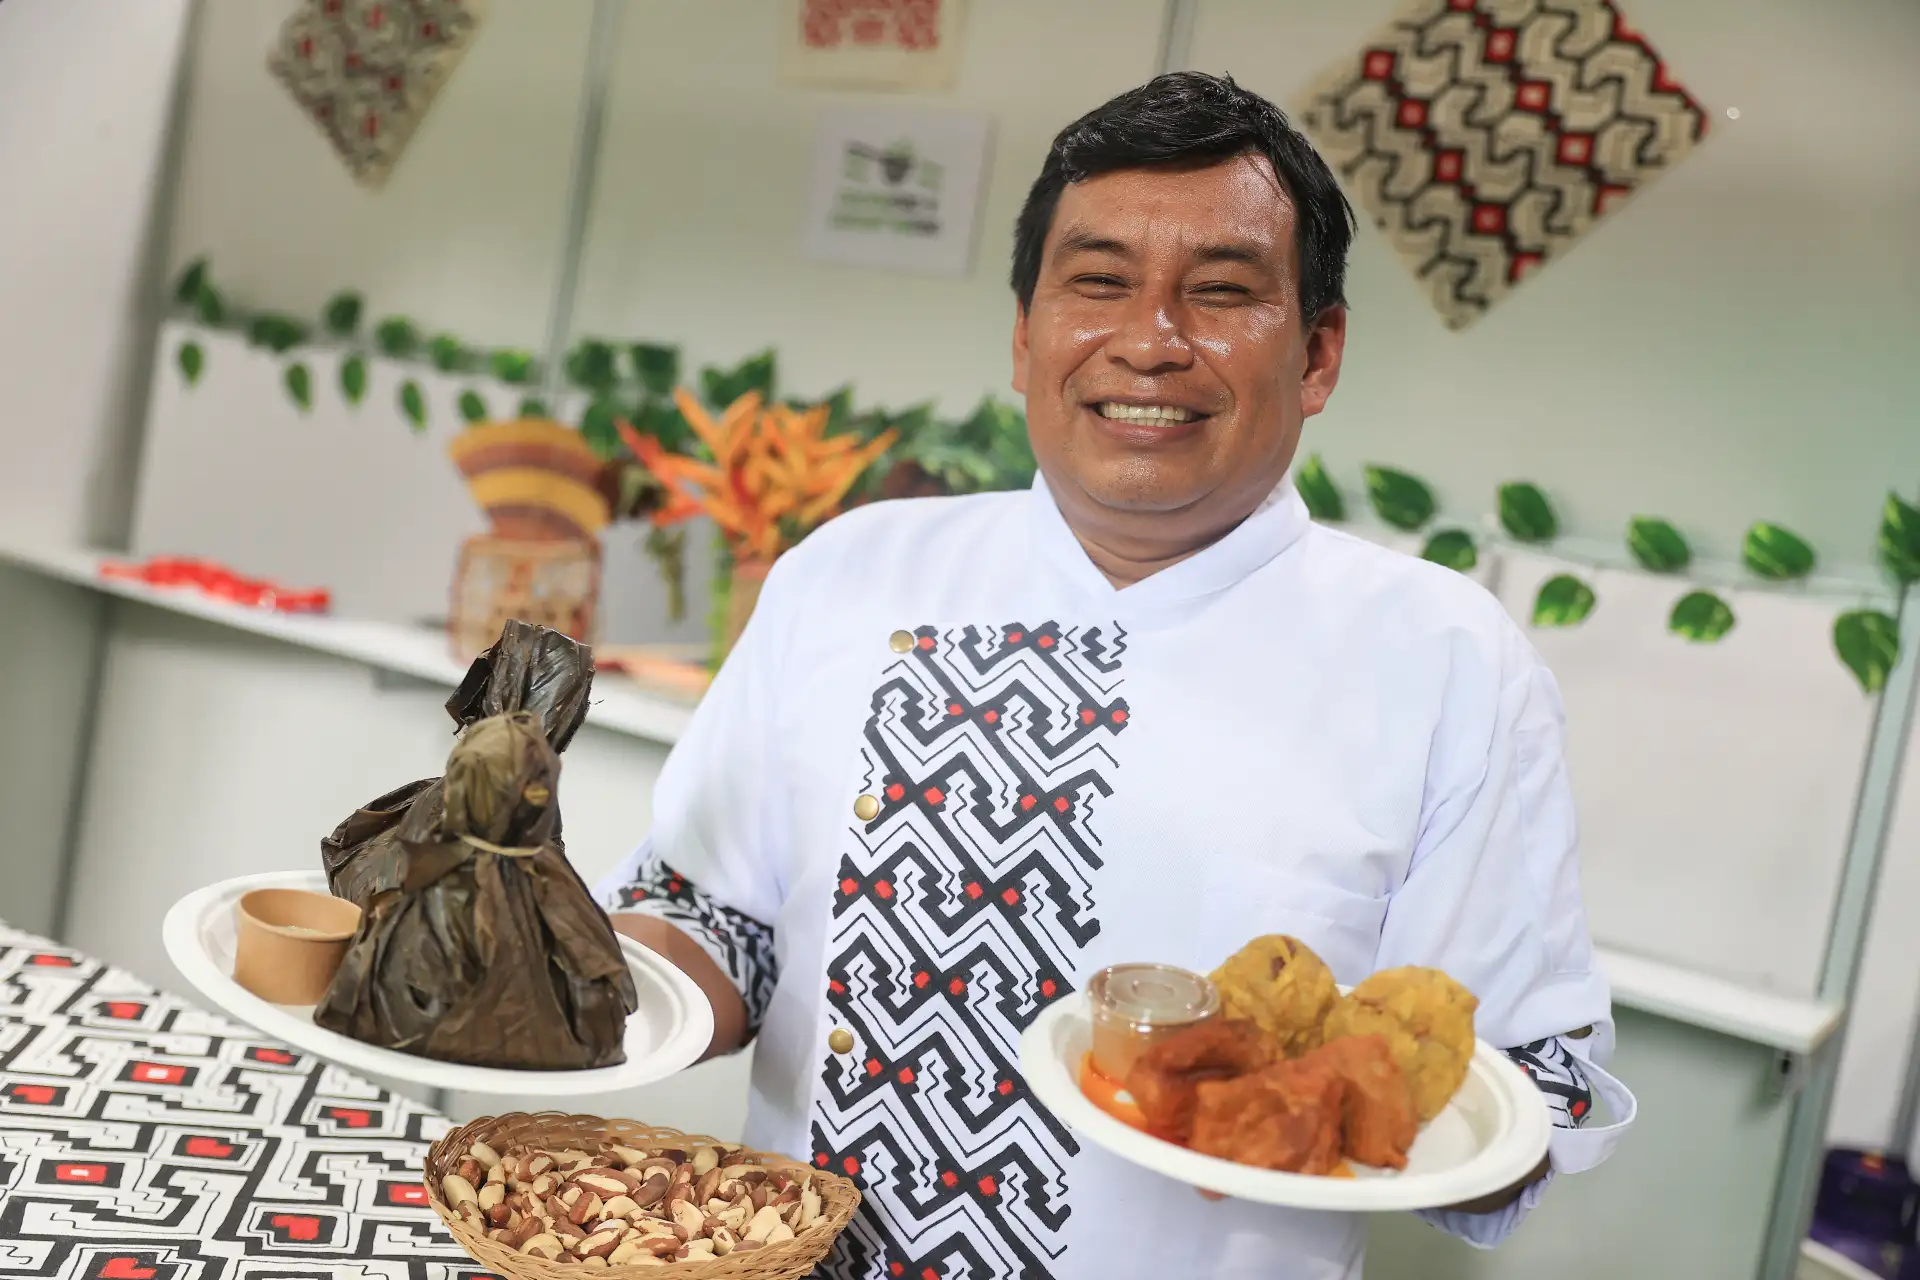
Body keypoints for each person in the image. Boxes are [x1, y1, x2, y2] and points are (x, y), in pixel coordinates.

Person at [596, 71, 1634, 1279]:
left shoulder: (1446, 659)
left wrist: (1326, 1105)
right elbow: (715, 913)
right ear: (1027, 335)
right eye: (1098, 282)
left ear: (1319, 353)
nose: (1150, 340)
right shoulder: (852, 573)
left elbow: (1524, 1089)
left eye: (1224, 290)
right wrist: (526, 971)